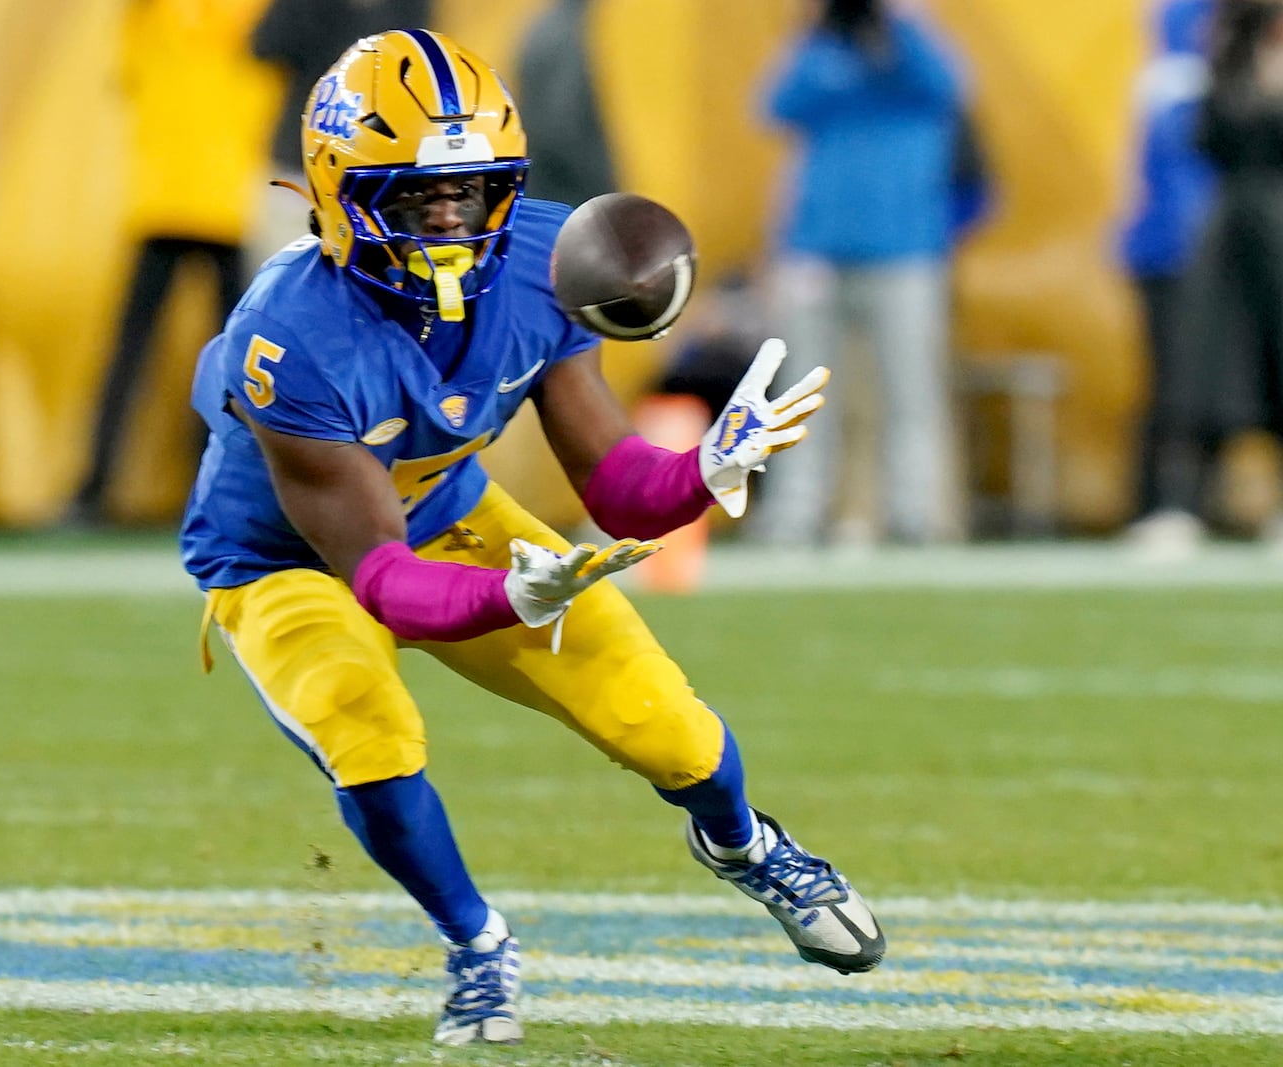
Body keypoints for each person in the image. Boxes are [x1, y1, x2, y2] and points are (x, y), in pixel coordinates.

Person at [181, 29, 883, 1047]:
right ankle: (476, 941)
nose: (452, 219)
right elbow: (377, 576)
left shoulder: (543, 264)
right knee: (363, 723)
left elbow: (617, 484)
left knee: (661, 720)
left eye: (472, 190)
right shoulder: (289, 339)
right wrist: (500, 599)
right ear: (340, 192)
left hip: (453, 516)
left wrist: (705, 470)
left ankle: (744, 843)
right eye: (418, 196)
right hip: (286, 557)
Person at [749, 0, 972, 547]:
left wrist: (900, 19)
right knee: (804, 389)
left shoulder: (914, 53)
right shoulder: (823, 48)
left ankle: (916, 514)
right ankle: (795, 514)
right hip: (817, 249)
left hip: (905, 250)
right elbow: (774, 105)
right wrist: (820, 25)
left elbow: (949, 87)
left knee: (912, 389)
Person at [69, 0, 279, 524]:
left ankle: (93, 490)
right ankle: (220, 494)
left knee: (141, 354)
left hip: (178, 199)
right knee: (236, 365)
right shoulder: (248, 15)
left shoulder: (151, 17)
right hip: (221, 202)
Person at [1140, 0, 1283, 550]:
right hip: (1232, 230)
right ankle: (1181, 504)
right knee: (1208, 367)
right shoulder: (1226, 49)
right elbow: (1207, 137)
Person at [1120, 0, 1219, 554]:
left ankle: (1178, 503)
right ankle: (1171, 502)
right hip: (1183, 253)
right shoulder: (1177, 76)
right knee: (1180, 383)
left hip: (1198, 248)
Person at [246, 0, 430, 269]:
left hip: (374, 171)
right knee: (280, 281)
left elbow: (415, 64)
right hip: (305, 165)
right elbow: (264, 45)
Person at [512, 0, 618, 208]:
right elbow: (560, 126)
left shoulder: (546, 26)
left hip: (550, 182)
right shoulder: (570, 30)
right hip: (573, 189)